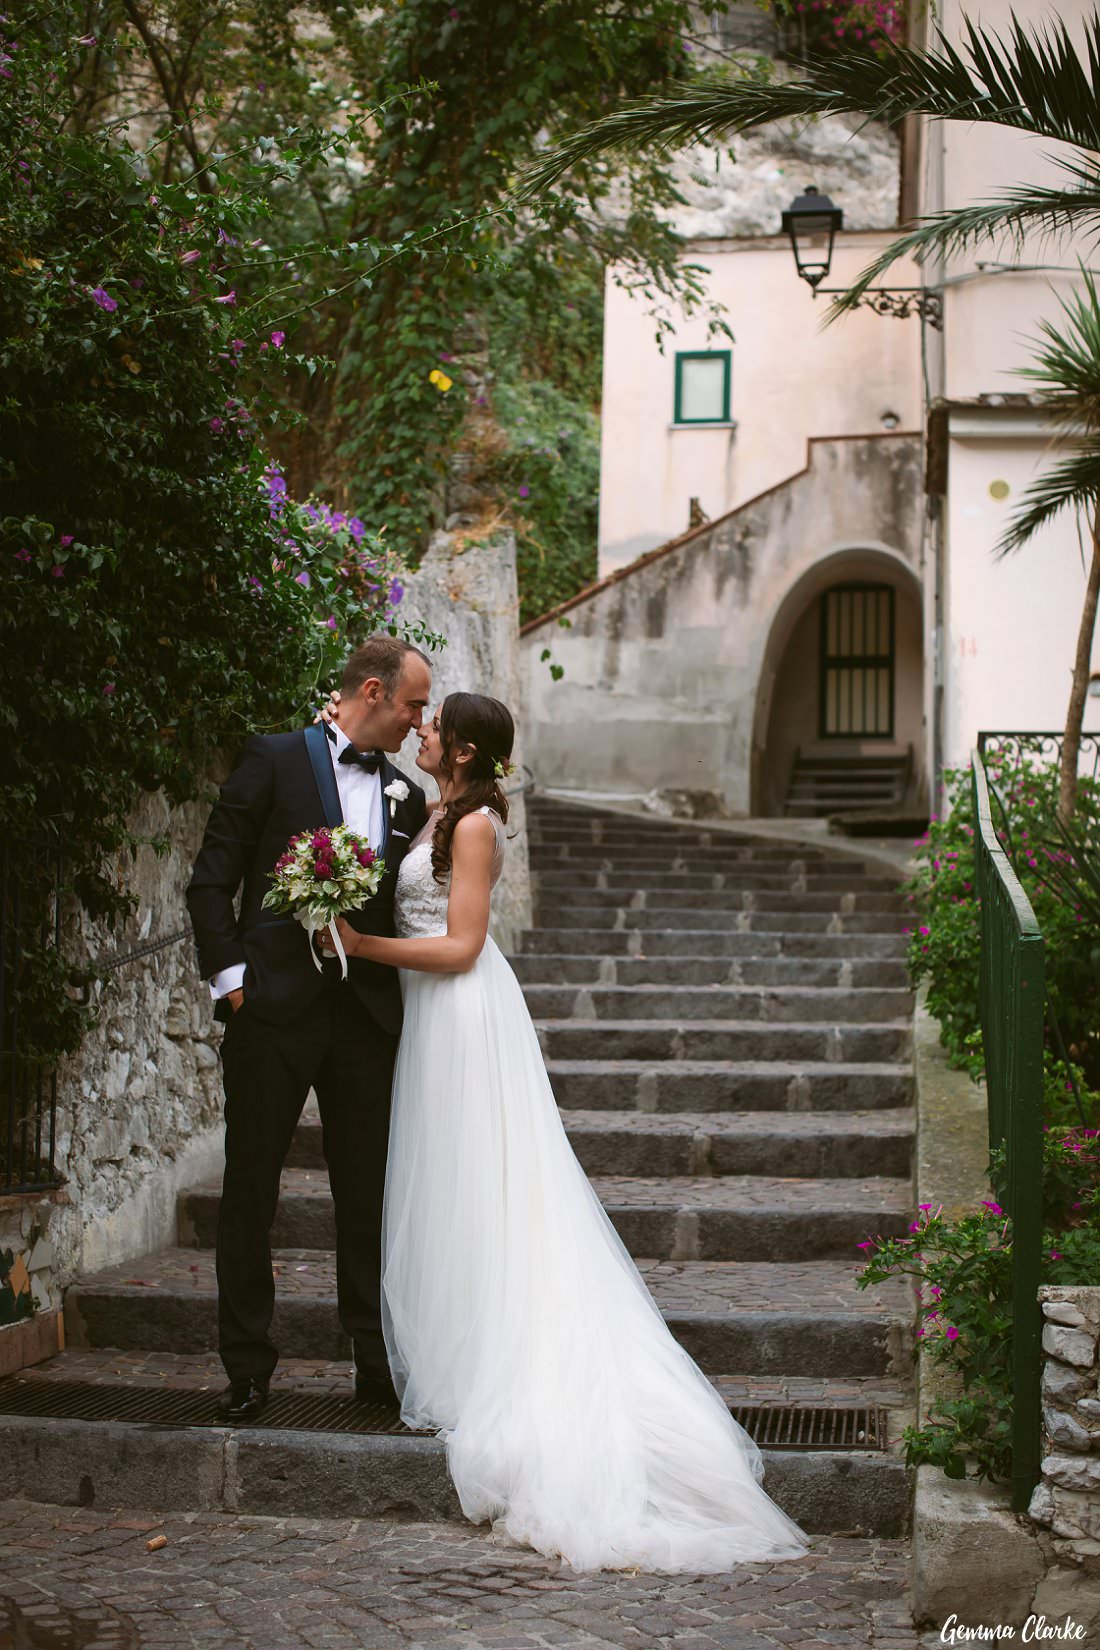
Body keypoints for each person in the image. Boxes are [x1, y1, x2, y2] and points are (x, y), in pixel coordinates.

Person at [331, 692, 808, 1575]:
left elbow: (463, 945)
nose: (421, 732)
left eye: (434, 727)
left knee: (486, 1185)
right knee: (456, 1189)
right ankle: (468, 1344)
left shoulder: (474, 827)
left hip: (463, 1012)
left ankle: (511, 1366)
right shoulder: (435, 807)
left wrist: (361, 946)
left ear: (465, 751)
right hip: (430, 1022)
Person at [186, 635, 431, 1424]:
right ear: (371, 691)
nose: (416, 722)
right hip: (274, 1011)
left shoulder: (407, 799)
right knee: (250, 1193)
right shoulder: (274, 758)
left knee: (368, 1196)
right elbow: (211, 879)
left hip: (365, 1019)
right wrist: (234, 987)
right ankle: (249, 1368)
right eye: (412, 706)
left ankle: (372, 1359)